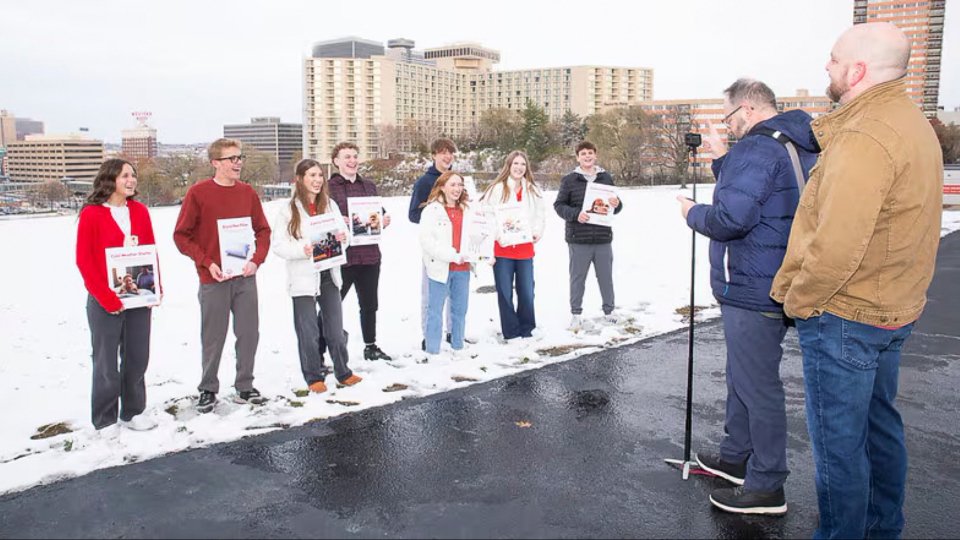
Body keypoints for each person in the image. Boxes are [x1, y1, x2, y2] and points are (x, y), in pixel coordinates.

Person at [771, 23, 943, 539]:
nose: (827, 66)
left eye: (833, 58)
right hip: (891, 308)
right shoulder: (909, 121)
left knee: (839, 448)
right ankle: (881, 527)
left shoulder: (865, 136)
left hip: (847, 314)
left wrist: (797, 301)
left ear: (858, 70)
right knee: (879, 428)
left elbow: (836, 245)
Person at [676, 79, 819, 515]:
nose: (729, 125)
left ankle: (767, 483)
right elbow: (761, 195)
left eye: (729, 117)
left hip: (753, 284)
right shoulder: (794, 143)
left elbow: (730, 217)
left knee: (757, 385)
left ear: (750, 109)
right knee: (743, 376)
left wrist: (690, 212)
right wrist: (724, 158)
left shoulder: (757, 149)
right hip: (774, 278)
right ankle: (736, 456)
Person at [173, 138, 272, 413]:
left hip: (244, 275)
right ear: (215, 163)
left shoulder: (248, 193)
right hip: (213, 279)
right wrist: (206, 262)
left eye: (240, 158)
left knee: (249, 333)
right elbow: (181, 236)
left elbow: (263, 230)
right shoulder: (198, 193)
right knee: (213, 336)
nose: (238, 163)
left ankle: (245, 386)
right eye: (232, 159)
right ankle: (207, 388)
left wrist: (256, 261)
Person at [75, 158, 159, 432]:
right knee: (105, 362)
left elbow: (150, 252)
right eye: (125, 176)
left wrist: (156, 288)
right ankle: (105, 419)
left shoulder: (140, 212)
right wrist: (106, 298)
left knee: (137, 356)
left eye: (133, 175)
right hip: (104, 301)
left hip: (137, 300)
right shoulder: (91, 214)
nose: (131, 180)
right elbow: (84, 261)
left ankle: (133, 412)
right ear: (110, 179)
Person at [272, 159, 360, 392]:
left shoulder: (330, 205)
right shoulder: (288, 210)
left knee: (335, 329)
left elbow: (344, 234)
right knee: (308, 331)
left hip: (328, 275)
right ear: (300, 179)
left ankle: (344, 372)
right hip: (303, 277)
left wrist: (344, 239)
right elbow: (279, 245)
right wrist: (302, 250)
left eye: (320, 175)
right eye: (312, 175)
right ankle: (314, 376)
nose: (317, 180)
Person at [321, 142, 393, 362]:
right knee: (331, 306)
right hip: (342, 257)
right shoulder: (328, 188)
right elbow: (319, 220)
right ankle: (319, 351)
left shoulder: (369, 185)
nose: (352, 161)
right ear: (336, 161)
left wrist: (384, 219)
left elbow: (377, 212)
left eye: (354, 156)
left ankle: (370, 346)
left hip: (369, 254)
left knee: (370, 304)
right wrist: (337, 221)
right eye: (346, 157)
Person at [553, 141, 622, 331]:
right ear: (578, 157)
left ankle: (609, 312)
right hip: (578, 238)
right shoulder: (569, 180)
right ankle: (576, 314)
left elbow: (615, 207)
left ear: (595, 155)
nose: (587, 156)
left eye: (590, 153)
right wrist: (576, 215)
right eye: (583, 154)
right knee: (577, 278)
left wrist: (617, 204)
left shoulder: (605, 178)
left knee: (606, 277)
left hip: (602, 237)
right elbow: (559, 206)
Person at [480, 150, 546, 341]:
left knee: (526, 291)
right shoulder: (496, 189)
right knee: (504, 292)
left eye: (522, 164)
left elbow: (540, 215)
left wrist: (536, 232)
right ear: (508, 166)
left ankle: (527, 329)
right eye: (515, 164)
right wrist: (499, 235)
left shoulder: (533, 190)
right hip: (503, 249)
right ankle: (511, 331)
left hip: (525, 249)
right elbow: (488, 216)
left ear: (527, 168)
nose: (519, 168)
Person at [409, 138, 457, 349]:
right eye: (443, 153)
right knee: (430, 293)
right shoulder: (424, 182)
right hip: (435, 246)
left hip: (456, 244)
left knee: (455, 293)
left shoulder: (458, 180)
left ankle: (454, 332)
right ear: (434, 155)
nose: (447, 157)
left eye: (451, 153)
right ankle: (429, 335)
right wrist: (432, 211)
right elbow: (413, 214)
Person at [419, 171, 472, 356]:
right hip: (440, 268)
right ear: (442, 186)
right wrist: (452, 255)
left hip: (463, 268)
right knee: (435, 312)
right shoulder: (432, 211)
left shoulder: (468, 210)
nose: (457, 189)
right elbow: (427, 243)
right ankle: (432, 351)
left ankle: (458, 347)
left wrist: (482, 254)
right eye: (453, 185)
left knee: (459, 311)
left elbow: (478, 235)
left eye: (460, 185)